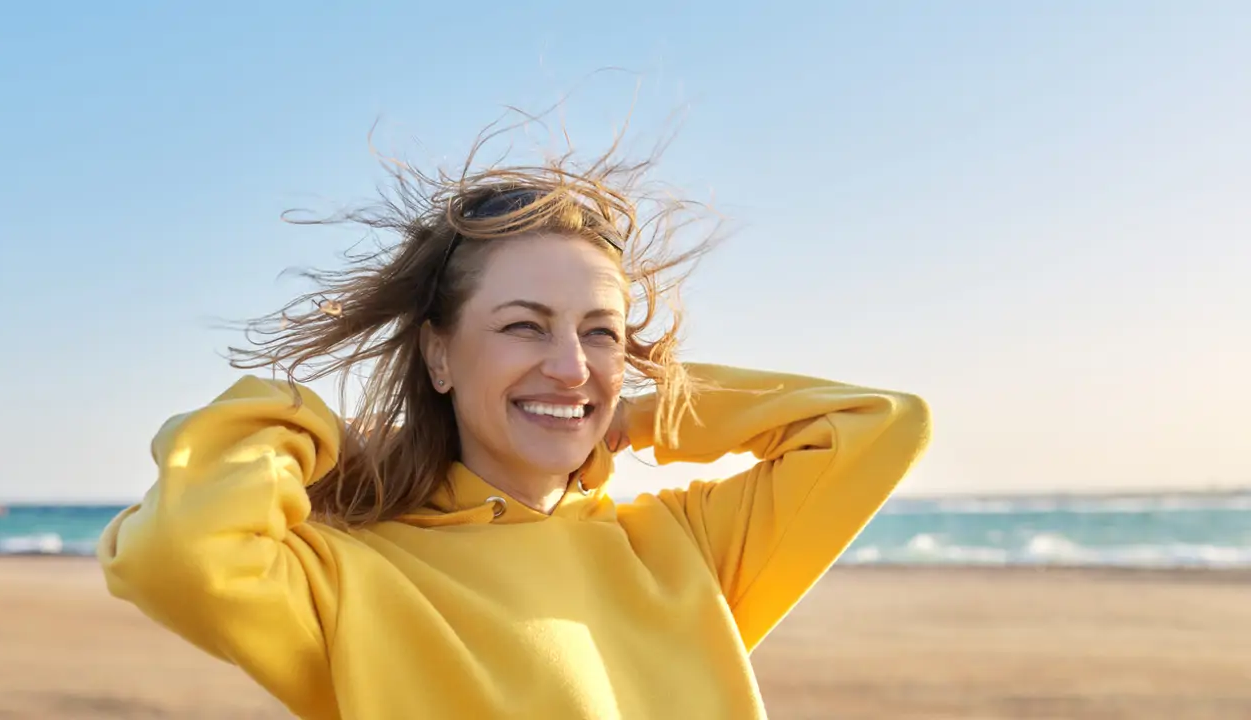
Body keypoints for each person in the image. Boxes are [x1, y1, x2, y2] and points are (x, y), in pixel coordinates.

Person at [97, 126, 931, 719]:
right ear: (439, 355)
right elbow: (176, 556)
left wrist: (640, 414)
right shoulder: (350, 576)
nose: (570, 365)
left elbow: (875, 425)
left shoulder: (685, 547)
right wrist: (321, 436)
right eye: (524, 325)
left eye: (599, 332)